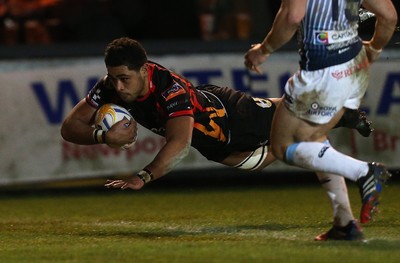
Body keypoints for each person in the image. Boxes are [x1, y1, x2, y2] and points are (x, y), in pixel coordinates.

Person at [61, 37, 373, 241]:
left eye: (124, 78)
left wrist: (144, 176)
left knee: (284, 140)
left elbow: (179, 143)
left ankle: (339, 120)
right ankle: (328, 124)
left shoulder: (170, 90)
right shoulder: (109, 86)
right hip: (213, 139)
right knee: (259, 160)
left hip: (233, 117)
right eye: (113, 78)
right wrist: (102, 134)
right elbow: (70, 127)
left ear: (144, 70)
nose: (117, 87)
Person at [244, 0, 397, 230]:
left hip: (324, 71)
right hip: (355, 65)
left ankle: (364, 172)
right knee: (314, 141)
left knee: (283, 146)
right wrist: (373, 50)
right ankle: (344, 223)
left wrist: (263, 50)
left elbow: (293, 16)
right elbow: (389, 16)